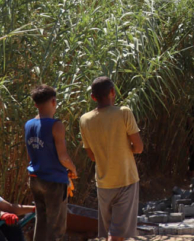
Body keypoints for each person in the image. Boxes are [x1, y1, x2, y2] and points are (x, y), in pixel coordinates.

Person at [79, 77, 143, 241]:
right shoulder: (123, 112)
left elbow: (92, 156)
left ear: (93, 97)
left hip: (103, 183)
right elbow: (139, 147)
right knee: (117, 234)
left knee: (112, 231)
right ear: (113, 92)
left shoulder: (84, 120)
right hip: (125, 180)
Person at [25, 85, 78, 241]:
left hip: (35, 178)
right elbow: (63, 157)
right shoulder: (56, 125)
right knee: (56, 227)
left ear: (35, 104)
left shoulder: (28, 125)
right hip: (54, 181)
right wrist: (73, 169)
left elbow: (31, 153)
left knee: (40, 222)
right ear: (54, 101)